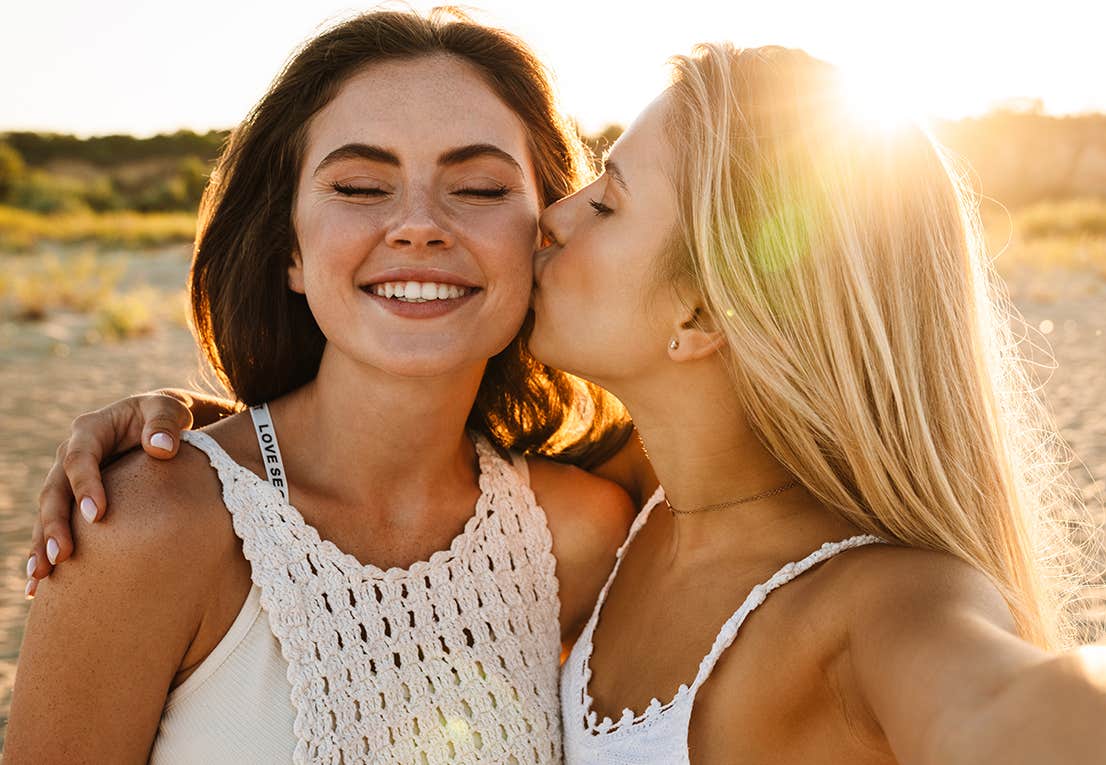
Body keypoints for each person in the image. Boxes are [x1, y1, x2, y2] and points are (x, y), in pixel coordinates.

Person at [25, 40, 1106, 765]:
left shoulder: (738, 565)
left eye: (541, 193)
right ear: (291, 240)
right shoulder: (165, 520)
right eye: (361, 185)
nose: (530, 221)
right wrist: (209, 434)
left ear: (706, 310)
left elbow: (1022, 707)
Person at [7, 9, 640, 763]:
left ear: (545, 236)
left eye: (476, 187)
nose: (419, 226)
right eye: (362, 186)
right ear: (292, 252)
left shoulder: (579, 534)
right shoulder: (147, 523)